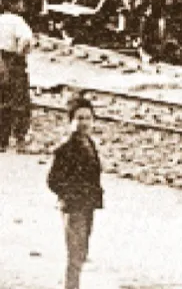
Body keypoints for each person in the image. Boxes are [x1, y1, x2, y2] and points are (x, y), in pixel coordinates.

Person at [47, 93, 102, 289]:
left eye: (88, 118)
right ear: (71, 121)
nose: (84, 122)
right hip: (73, 207)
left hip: (88, 207)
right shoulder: (65, 149)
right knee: (75, 257)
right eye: (79, 118)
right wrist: (71, 196)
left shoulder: (89, 144)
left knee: (82, 253)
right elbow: (53, 180)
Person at [0, 0, 35, 150]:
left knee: (3, 101)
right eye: (19, 2)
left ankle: (2, 141)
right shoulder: (17, 21)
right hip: (12, 62)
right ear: (14, 4)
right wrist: (20, 53)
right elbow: (26, 39)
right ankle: (20, 140)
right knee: (20, 101)